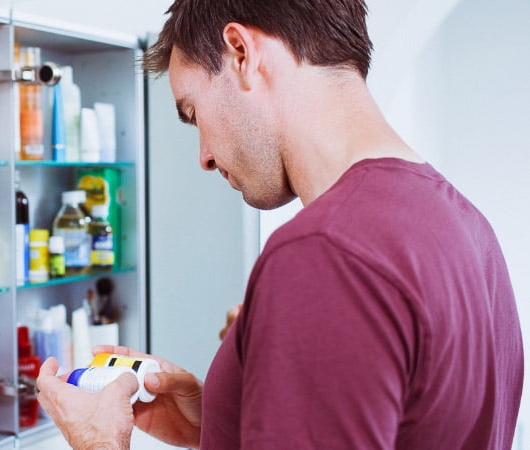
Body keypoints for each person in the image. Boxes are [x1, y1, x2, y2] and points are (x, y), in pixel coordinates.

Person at [36, 0, 523, 448]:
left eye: (193, 112)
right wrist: (221, 419)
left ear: (241, 52)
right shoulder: (468, 228)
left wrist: (101, 443)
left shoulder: (323, 253)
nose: (204, 157)